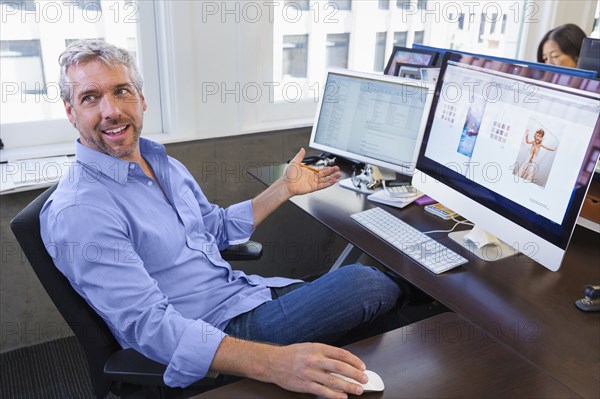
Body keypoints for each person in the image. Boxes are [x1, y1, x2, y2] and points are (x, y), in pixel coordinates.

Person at [40, 39, 404, 398]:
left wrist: (284, 189)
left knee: (371, 315)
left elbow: (211, 229)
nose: (111, 110)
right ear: (71, 112)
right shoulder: (80, 212)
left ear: (142, 98)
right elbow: (149, 326)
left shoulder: (160, 163)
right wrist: (275, 363)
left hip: (244, 294)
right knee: (371, 284)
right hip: (214, 334)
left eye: (122, 91)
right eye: (90, 97)